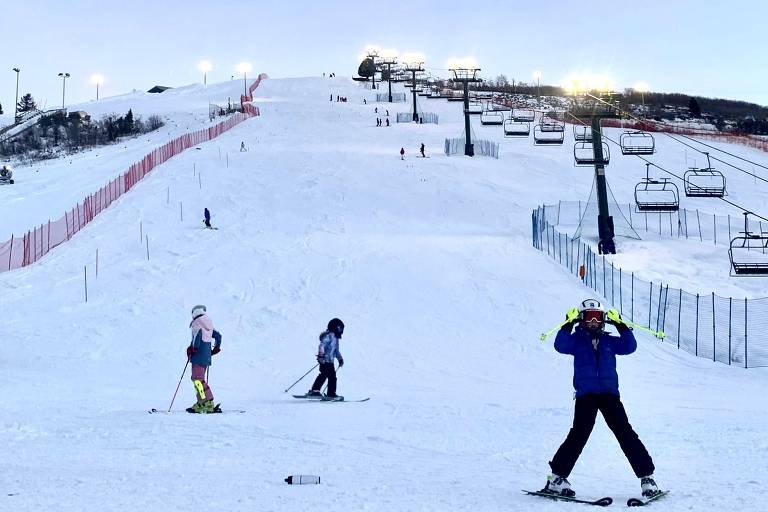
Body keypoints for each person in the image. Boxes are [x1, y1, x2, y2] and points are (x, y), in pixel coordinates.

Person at [543, 299, 659, 499]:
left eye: (598, 316)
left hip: (608, 394)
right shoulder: (577, 340)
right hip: (586, 394)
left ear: (604, 320)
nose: (594, 321)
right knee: (579, 434)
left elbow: (629, 346)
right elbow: (560, 345)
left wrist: (621, 325)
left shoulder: (609, 341)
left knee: (625, 433)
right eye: (589, 317)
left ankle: (647, 478)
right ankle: (557, 478)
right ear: (582, 319)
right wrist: (567, 324)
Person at [186, 305, 223, 413]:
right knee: (198, 379)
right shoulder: (208, 322)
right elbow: (218, 336)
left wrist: (192, 349)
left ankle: (207, 402)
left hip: (198, 355)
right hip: (206, 355)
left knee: (197, 379)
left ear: (194, 313)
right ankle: (202, 401)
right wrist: (216, 347)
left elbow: (197, 336)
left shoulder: (197, 322)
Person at [306, 318, 345, 401]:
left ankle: (330, 393)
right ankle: (315, 391)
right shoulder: (329, 336)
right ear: (335, 327)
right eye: (340, 328)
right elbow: (321, 345)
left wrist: (340, 359)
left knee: (332, 377)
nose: (341, 330)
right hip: (324, 360)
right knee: (324, 375)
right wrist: (321, 356)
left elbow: (336, 351)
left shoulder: (336, 338)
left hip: (330, 361)